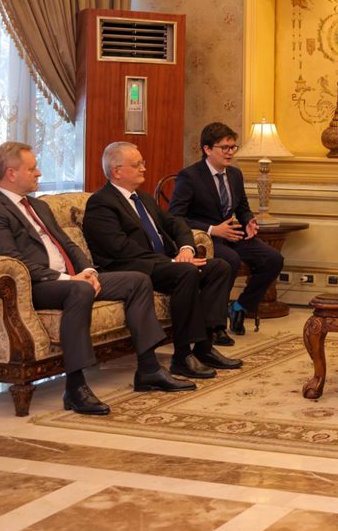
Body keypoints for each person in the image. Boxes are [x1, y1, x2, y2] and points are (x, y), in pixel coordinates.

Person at [0, 142, 193, 416]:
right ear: (11, 173)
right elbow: (13, 262)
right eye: (32, 168)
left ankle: (148, 369)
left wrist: (89, 272)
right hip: (35, 286)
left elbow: (69, 245)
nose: (39, 173)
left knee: (137, 281)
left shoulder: (38, 205)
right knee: (80, 291)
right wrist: (67, 278)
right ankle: (75, 387)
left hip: (70, 278)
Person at [83, 141, 241, 380]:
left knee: (219, 267)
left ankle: (205, 348)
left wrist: (186, 249)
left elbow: (176, 223)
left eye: (143, 163)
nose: (143, 168)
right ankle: (182, 356)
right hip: (133, 267)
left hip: (163, 263)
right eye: (137, 164)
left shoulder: (143, 198)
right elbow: (120, 249)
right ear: (116, 171)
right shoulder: (101, 203)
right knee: (186, 272)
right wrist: (173, 263)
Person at [168, 122, 284, 338]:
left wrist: (248, 221)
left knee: (273, 259)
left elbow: (242, 208)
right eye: (225, 148)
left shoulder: (235, 175)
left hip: (231, 234)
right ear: (207, 149)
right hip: (205, 238)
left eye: (233, 147)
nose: (230, 152)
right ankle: (215, 325)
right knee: (229, 260)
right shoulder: (190, 176)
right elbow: (175, 217)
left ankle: (239, 307)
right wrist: (212, 229)